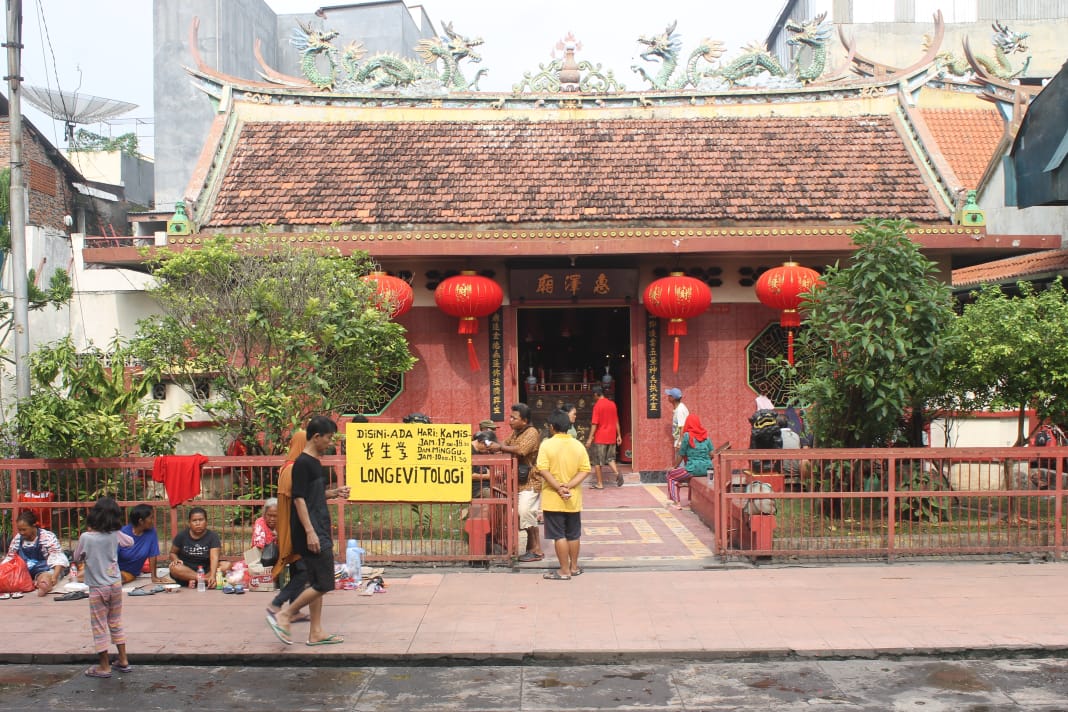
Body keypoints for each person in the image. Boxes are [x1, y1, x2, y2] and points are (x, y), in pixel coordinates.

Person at [267, 415, 350, 646]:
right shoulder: (302, 463)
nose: (330, 443)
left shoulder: (314, 463)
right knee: (325, 583)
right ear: (316, 437)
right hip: (312, 532)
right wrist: (311, 532)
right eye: (328, 438)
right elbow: (299, 499)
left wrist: (335, 493)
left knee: (316, 583)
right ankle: (285, 614)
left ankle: (316, 632)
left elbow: (312, 495)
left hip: (318, 526)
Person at [73, 496, 133, 679]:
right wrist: (116, 530)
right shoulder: (115, 535)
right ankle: (123, 660)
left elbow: (76, 557)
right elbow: (129, 542)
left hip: (97, 588)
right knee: (115, 622)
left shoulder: (86, 537)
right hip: (115, 584)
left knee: (99, 626)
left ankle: (104, 666)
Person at [537, 409, 592, 580]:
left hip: (553, 497)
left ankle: (564, 571)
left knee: (558, 535)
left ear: (552, 427)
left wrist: (559, 488)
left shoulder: (546, 444)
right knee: (573, 534)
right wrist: (568, 486)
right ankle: (574, 567)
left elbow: (543, 469)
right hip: (573, 497)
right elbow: (585, 470)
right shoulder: (578, 445)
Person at [486, 403, 542, 563]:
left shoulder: (532, 432)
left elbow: (521, 450)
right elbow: (505, 444)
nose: (510, 420)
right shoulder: (516, 432)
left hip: (531, 480)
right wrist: (495, 447)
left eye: (513, 418)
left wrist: (500, 447)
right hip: (518, 479)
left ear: (524, 420)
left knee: (525, 512)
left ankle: (535, 549)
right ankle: (534, 549)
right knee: (526, 514)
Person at [268, 431, 311, 624]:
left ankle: (294, 611)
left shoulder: (287, 467)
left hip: (292, 527)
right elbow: (300, 500)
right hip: (297, 529)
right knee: (306, 570)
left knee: (297, 568)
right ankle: (277, 603)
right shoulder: (294, 470)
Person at [5, 510, 69, 596]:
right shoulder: (18, 538)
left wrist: (55, 576)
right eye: (19, 530)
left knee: (45, 580)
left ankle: (41, 586)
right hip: (24, 572)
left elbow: (58, 558)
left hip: (44, 570)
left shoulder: (47, 536)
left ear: (33, 525)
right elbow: (10, 557)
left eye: (24, 529)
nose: (21, 533)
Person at [167, 507, 226, 589]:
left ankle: (196, 580)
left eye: (201, 520)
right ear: (189, 523)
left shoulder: (212, 536)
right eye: (194, 520)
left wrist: (212, 575)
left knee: (226, 565)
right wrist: (175, 559)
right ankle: (206, 580)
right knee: (174, 568)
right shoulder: (182, 535)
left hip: (206, 569)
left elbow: (214, 557)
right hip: (186, 570)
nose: (198, 523)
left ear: (206, 522)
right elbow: (172, 553)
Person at [666, 414, 714, 509]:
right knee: (690, 477)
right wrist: (705, 461)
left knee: (670, 476)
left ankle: (676, 502)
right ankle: (691, 500)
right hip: (709, 470)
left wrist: (674, 467)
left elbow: (681, 453)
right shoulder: (706, 436)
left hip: (693, 469)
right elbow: (712, 454)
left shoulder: (687, 436)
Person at [117, 504, 171, 585]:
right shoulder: (122, 533)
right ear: (141, 521)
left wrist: (154, 577)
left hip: (129, 573)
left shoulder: (152, 532)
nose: (153, 521)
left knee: (117, 580)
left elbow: (153, 555)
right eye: (151, 518)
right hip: (113, 570)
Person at [585, 385, 623, 488]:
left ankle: (600, 483)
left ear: (596, 394)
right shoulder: (612, 404)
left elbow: (594, 423)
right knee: (610, 458)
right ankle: (617, 473)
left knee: (597, 462)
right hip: (611, 436)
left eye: (593, 395)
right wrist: (619, 435)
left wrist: (590, 438)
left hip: (601, 437)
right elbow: (616, 421)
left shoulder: (597, 405)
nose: (593, 397)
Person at [665, 388, 689, 457]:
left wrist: (680, 442)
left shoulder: (680, 410)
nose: (668, 397)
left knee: (680, 465)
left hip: (681, 441)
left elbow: (682, 427)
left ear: (673, 398)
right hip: (680, 440)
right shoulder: (679, 407)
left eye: (669, 395)